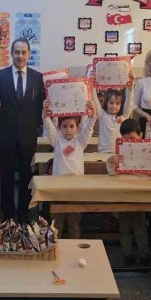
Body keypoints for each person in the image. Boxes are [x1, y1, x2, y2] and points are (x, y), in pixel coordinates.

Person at [0, 38, 46, 221]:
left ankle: (24, 214)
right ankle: (8, 215)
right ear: (11, 53)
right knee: (7, 177)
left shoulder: (37, 77)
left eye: (23, 52)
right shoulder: (0, 76)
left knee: (26, 176)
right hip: (6, 136)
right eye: (17, 52)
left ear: (29, 54)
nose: (20, 56)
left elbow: (42, 105)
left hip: (28, 136)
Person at [106, 119, 151, 266]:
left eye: (132, 138)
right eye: (125, 139)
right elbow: (112, 173)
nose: (129, 142)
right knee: (124, 229)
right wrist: (110, 161)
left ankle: (143, 254)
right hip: (124, 196)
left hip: (140, 196)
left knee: (140, 228)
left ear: (140, 136)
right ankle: (127, 254)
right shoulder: (121, 153)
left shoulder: (149, 149)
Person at [43, 98, 96, 239]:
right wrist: (45, 111)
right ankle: (55, 247)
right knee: (56, 225)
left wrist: (92, 113)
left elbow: (90, 126)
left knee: (74, 224)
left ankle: (75, 248)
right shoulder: (56, 140)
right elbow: (48, 124)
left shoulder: (80, 141)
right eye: (64, 126)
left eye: (72, 126)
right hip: (58, 188)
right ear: (59, 127)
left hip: (75, 189)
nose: (68, 130)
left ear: (77, 128)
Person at [92, 85, 133, 153]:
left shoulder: (123, 117)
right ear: (106, 102)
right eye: (111, 102)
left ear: (121, 105)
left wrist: (130, 89)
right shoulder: (102, 116)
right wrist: (92, 86)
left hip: (119, 152)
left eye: (117, 103)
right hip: (103, 153)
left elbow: (129, 102)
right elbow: (95, 100)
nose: (114, 106)